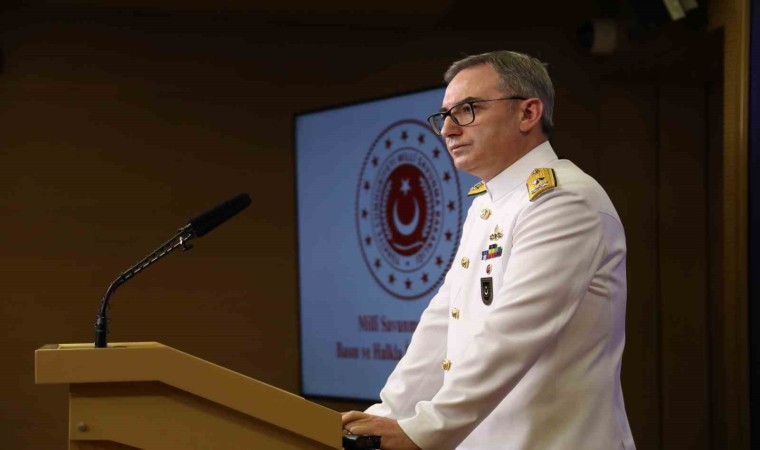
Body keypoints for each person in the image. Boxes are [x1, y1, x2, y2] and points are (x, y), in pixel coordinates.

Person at [341, 50, 636, 450]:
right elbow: (442, 323)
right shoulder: (487, 202)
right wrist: (388, 414)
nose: (447, 129)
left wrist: (424, 429)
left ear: (528, 113)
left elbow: (513, 334)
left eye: (467, 110)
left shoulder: (565, 200)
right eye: (444, 115)